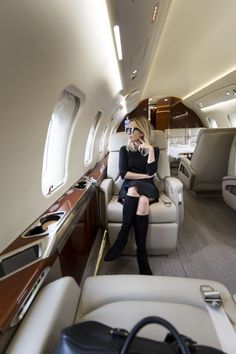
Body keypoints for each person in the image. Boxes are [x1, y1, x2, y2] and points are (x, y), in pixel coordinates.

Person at [104, 116, 159, 275]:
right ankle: (141, 254)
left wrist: (149, 152)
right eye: (127, 129)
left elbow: (151, 172)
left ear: (142, 132)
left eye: (131, 129)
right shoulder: (124, 149)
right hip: (129, 185)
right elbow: (123, 174)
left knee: (140, 196)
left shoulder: (153, 150)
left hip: (148, 187)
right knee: (138, 197)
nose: (127, 132)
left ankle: (123, 241)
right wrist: (144, 177)